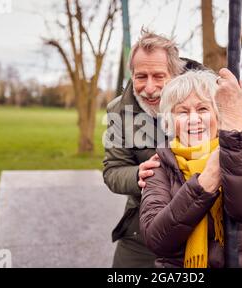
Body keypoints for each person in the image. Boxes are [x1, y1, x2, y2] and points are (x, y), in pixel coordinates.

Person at [139, 69, 242, 268]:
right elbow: (157, 240)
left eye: (202, 109)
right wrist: (205, 182)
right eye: (182, 112)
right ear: (170, 121)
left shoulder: (241, 155)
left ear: (219, 115)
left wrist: (234, 141)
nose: (194, 119)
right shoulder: (158, 167)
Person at [103, 30, 204, 268]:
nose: (149, 88)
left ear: (176, 74)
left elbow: (241, 140)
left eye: (159, 76)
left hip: (202, 225)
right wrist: (138, 175)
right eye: (141, 77)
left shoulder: (204, 98)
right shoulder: (118, 111)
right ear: (132, 74)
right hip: (142, 228)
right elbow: (112, 171)